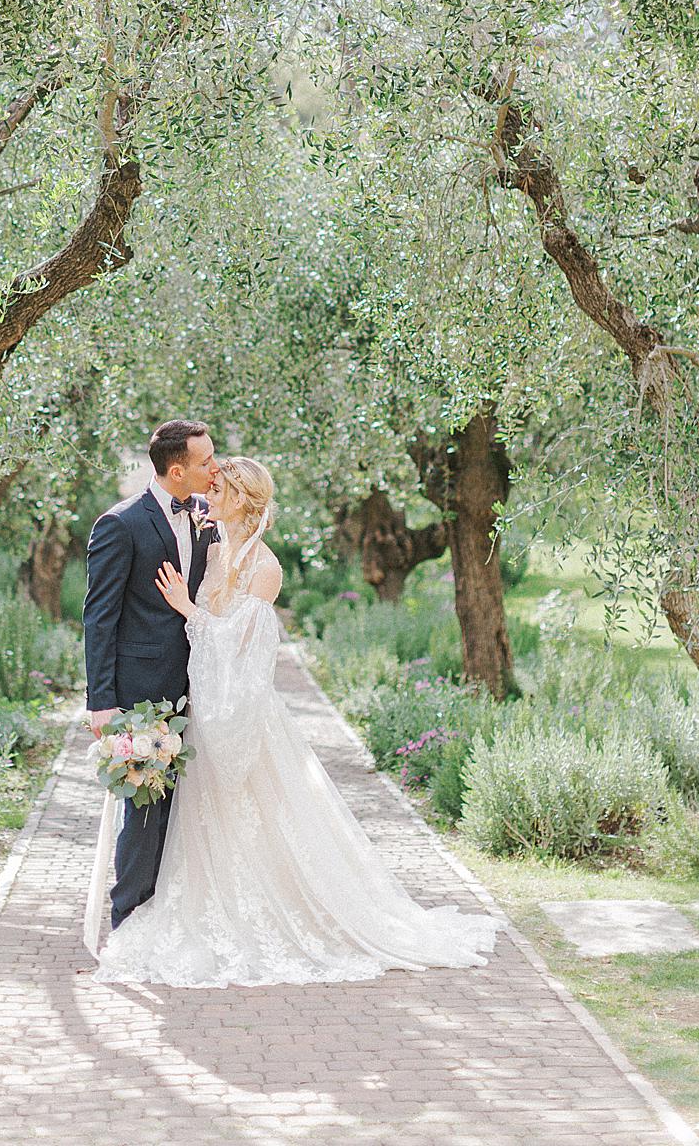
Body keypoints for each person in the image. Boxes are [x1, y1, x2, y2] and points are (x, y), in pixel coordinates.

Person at [88, 452, 502, 987]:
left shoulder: (265, 568)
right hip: (203, 706)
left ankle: (266, 916)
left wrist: (186, 609)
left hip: (242, 714)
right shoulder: (214, 551)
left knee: (256, 821)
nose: (206, 495)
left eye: (217, 489)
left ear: (238, 499)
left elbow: (244, 646)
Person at [82, 418, 219, 929]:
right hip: (143, 695)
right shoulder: (120, 524)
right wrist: (102, 700)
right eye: (206, 462)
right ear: (177, 470)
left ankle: (172, 918)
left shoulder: (211, 515)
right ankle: (128, 923)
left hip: (203, 683)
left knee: (190, 811)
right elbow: (100, 617)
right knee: (143, 811)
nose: (216, 468)